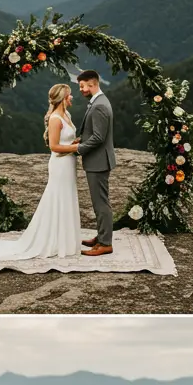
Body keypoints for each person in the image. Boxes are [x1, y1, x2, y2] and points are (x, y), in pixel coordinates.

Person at [0, 83, 81, 262]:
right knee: (58, 197)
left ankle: (66, 240)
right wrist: (77, 147)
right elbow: (54, 146)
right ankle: (54, 241)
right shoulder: (55, 119)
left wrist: (74, 141)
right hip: (60, 164)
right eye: (69, 95)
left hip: (69, 163)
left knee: (68, 196)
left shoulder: (66, 115)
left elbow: (65, 140)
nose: (71, 98)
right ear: (62, 98)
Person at [75, 69, 116, 256]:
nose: (81, 90)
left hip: (98, 161)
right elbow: (94, 132)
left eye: (82, 86)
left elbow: (99, 137)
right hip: (97, 160)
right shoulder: (99, 101)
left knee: (101, 204)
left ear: (92, 84)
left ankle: (106, 243)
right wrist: (81, 138)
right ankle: (101, 237)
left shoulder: (99, 105)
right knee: (99, 202)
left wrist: (78, 148)